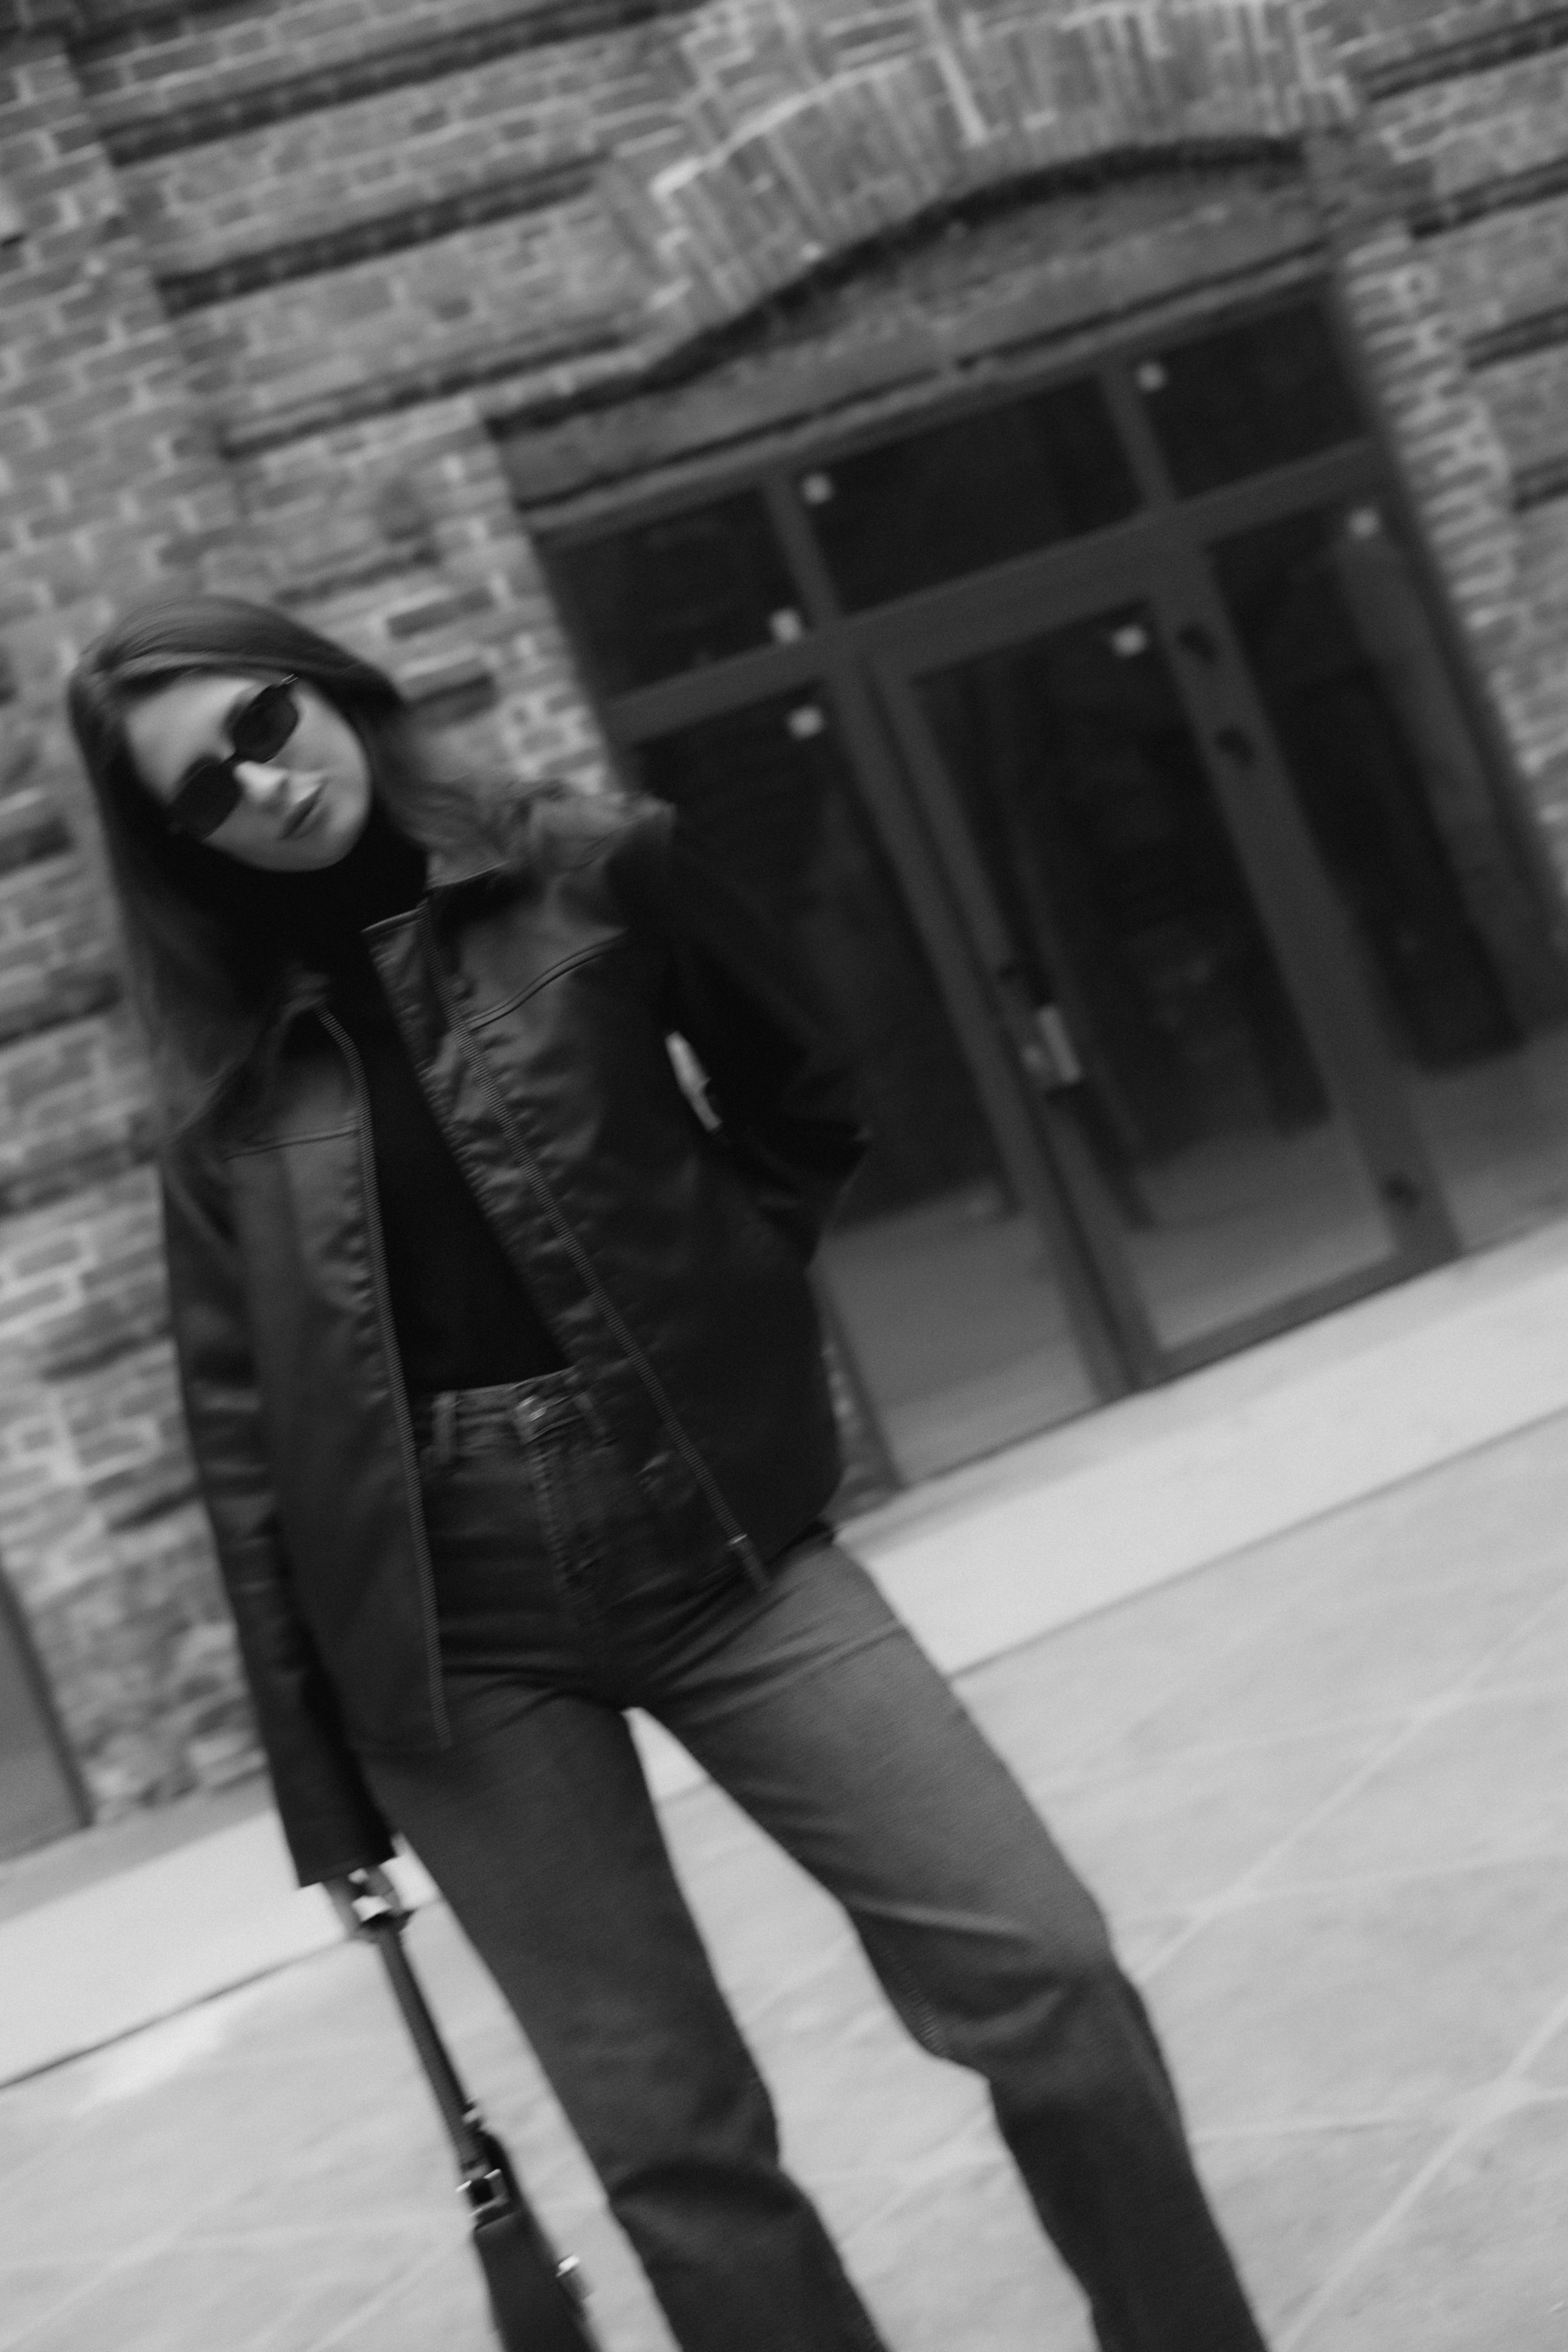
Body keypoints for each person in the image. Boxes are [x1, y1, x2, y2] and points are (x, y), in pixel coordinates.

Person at [67, 593, 1269, 2352]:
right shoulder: (223, 1079)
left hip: (724, 1545)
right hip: (451, 1637)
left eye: (264, 723)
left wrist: (721, 1307)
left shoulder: (592, 867)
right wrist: (326, 1806)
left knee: (1046, 1969)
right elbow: (245, 1442)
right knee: (671, 2145)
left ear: (325, 689)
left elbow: (809, 1098)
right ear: (180, 845)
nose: (264, 785)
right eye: (204, 792)